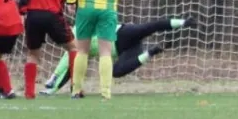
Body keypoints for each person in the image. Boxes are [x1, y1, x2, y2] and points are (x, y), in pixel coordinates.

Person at [40, 17, 197, 95]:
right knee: (116, 72)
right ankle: (152, 52)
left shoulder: (76, 32)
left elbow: (65, 64)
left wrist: (53, 79)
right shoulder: (75, 49)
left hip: (122, 34)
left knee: (149, 27)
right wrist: (51, 90)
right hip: (124, 50)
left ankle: (183, 22)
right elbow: (70, 69)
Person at [19, 0, 78, 99]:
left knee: (33, 54)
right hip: (52, 15)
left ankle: (29, 93)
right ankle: (75, 87)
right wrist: (72, 3)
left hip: (33, 15)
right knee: (73, 47)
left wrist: (22, 12)